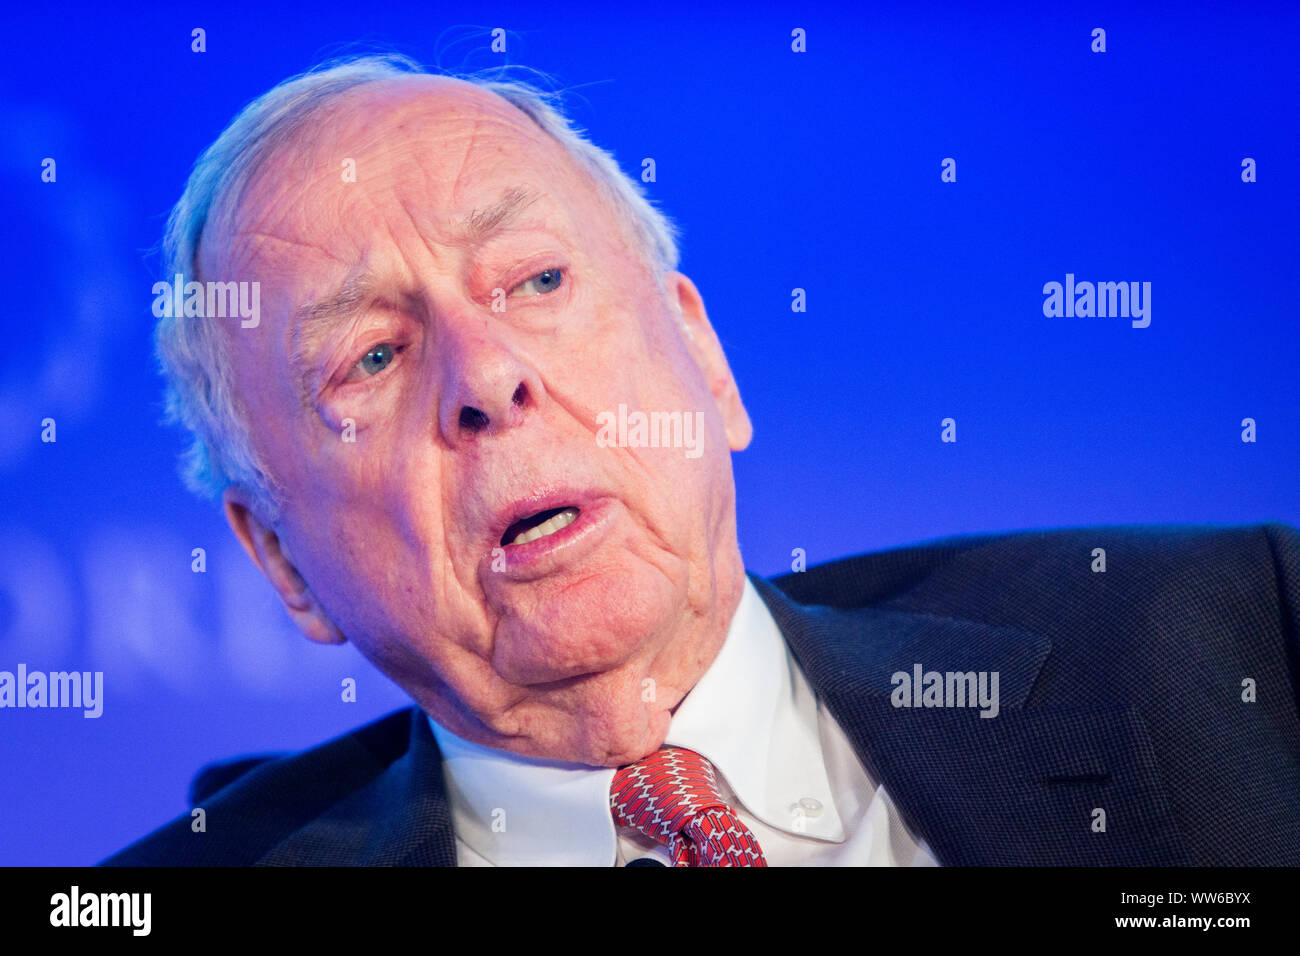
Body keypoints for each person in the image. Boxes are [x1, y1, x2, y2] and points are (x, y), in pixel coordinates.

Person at [103, 54, 1300, 867]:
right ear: (281, 560)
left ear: (704, 358)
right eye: (369, 356)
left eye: (536, 281)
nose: (487, 378)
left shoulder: (1240, 645)